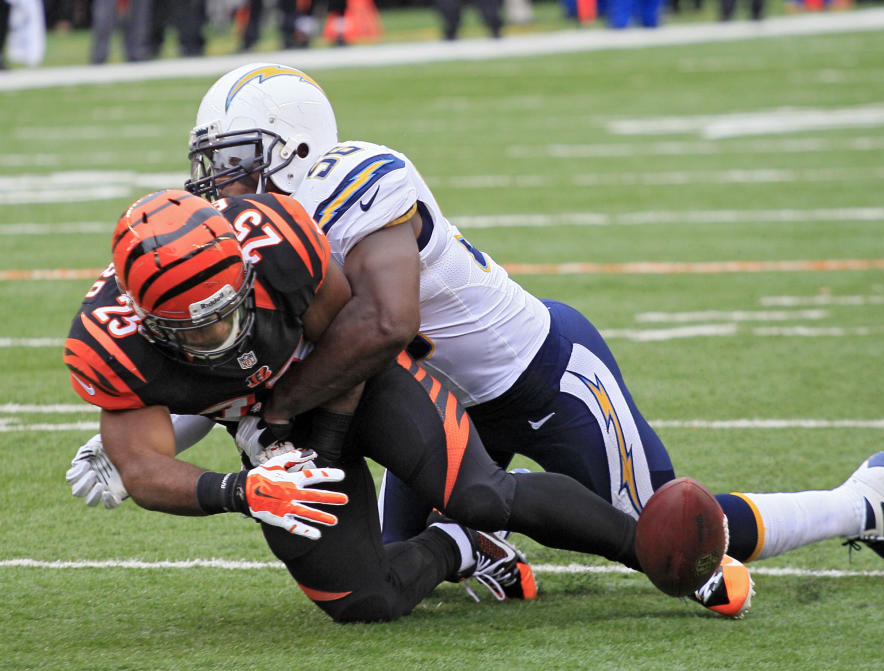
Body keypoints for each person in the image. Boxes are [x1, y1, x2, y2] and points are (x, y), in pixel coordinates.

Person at [68, 63, 884, 618]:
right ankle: (476, 542)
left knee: (672, 537)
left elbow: (382, 327)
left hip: (534, 375)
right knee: (420, 554)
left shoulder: (360, 187)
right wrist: (152, 438)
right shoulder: (245, 238)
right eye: (210, 163)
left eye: (235, 160)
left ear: (296, 148)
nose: (217, 183)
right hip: (419, 401)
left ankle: (866, 499)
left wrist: (275, 429)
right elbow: (235, 361)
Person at [65, 187, 703, 622]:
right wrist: (246, 488)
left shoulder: (278, 241)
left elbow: (351, 337)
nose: (220, 332)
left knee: (481, 491)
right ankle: (459, 547)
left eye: (230, 308)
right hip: (266, 440)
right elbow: (140, 466)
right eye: (196, 330)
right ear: (146, 319)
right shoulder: (106, 343)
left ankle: (661, 556)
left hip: (349, 380)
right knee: (361, 600)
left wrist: (323, 428)